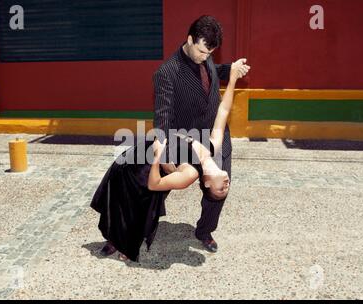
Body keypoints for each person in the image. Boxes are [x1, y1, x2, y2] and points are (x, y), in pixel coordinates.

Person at [90, 60, 249, 262]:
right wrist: (233, 78)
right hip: (137, 156)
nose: (226, 186)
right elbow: (224, 110)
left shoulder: (189, 174)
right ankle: (116, 240)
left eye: (220, 190)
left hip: (146, 169)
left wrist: (157, 158)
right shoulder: (212, 146)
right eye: (225, 189)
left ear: (207, 183)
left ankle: (122, 241)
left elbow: (154, 183)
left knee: (134, 206)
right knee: (119, 197)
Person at [152, 15, 250, 253]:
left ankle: (204, 231)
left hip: (216, 137)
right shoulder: (167, 72)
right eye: (202, 51)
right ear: (189, 39)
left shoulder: (204, 57)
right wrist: (163, 152)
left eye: (210, 52)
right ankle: (141, 227)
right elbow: (163, 114)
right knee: (159, 189)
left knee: (219, 189)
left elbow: (211, 72)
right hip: (184, 140)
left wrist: (231, 70)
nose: (206, 57)